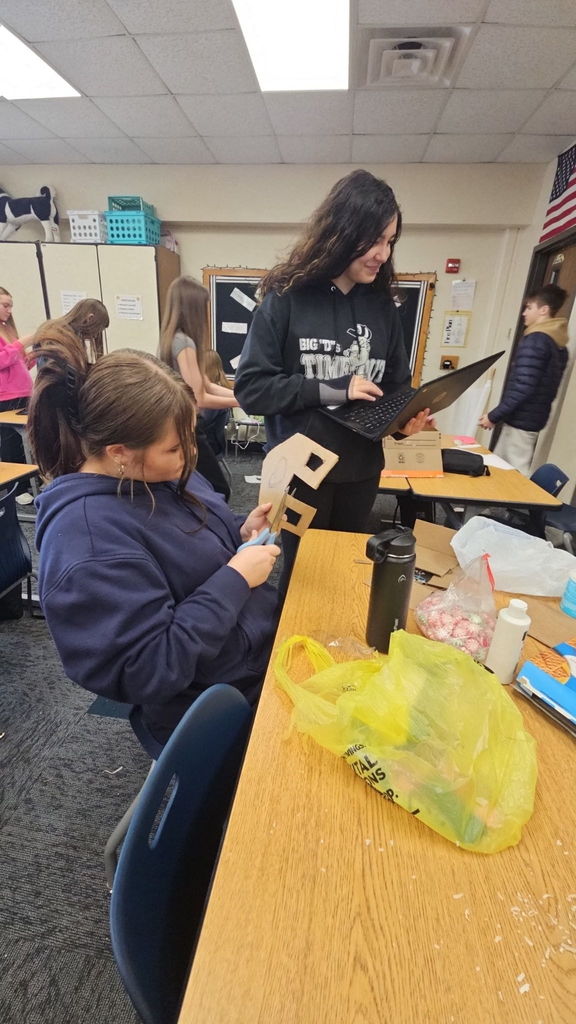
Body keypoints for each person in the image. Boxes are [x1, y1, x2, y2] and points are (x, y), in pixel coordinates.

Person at [29, 335, 280, 749]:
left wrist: (238, 530)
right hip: (217, 704)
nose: (190, 456)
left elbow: (186, 544)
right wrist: (236, 577)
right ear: (119, 451)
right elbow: (150, 666)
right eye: (176, 448)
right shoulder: (87, 542)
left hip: (253, 658)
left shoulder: (159, 474)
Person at [234, 169, 431, 589]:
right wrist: (333, 388)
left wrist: (405, 421)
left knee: (342, 573)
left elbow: (394, 386)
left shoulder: (383, 307)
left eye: (390, 241)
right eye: (374, 240)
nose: (383, 253)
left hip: (361, 471)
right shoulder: (284, 299)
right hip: (301, 473)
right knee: (302, 577)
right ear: (341, 233)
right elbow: (252, 389)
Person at [159, 275, 239, 497]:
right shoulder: (184, 342)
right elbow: (200, 398)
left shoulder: (174, 338)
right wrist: (244, 400)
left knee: (196, 487)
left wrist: (241, 396)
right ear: (193, 308)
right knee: (218, 489)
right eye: (204, 307)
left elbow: (207, 385)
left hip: (180, 423)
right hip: (188, 425)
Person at [479, 284, 569, 475]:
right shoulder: (559, 343)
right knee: (501, 471)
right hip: (531, 417)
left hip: (523, 419)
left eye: (529, 307)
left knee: (516, 475)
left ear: (543, 310)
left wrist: (493, 416)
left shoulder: (537, 339)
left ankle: (516, 506)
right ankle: (495, 505)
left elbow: (523, 386)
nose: (524, 313)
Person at [0, 287, 36, 491]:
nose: (9, 310)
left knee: (27, 441)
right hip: (5, 396)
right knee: (11, 442)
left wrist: (33, 355)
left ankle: (29, 479)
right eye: (5, 305)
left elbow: (18, 362)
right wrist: (21, 344)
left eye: (11, 306)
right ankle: (18, 488)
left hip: (24, 393)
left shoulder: (8, 329)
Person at [32, 297, 109, 360]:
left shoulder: (53, 329)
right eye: (97, 330)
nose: (95, 336)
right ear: (89, 318)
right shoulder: (60, 338)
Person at [200, 349, 234, 456]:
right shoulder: (223, 388)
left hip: (208, 447)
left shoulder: (212, 396)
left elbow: (201, 423)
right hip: (215, 444)